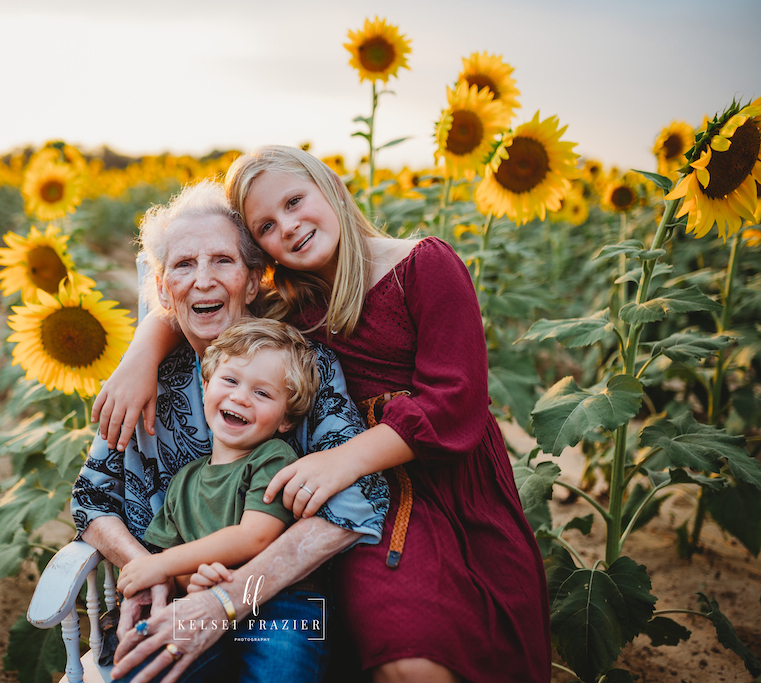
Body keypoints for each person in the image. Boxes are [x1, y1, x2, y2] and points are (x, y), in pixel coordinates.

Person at [107, 147, 552, 683]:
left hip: (446, 480)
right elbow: (202, 297)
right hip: (375, 502)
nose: (289, 227)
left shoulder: (423, 264)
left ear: (333, 187)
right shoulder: (292, 303)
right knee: (404, 648)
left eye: (295, 202)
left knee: (467, 638)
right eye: (267, 225)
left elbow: (455, 401)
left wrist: (341, 461)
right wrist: (142, 350)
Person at [71, 180, 387, 681]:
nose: (202, 281)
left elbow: (357, 499)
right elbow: (93, 498)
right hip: (176, 594)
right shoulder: (146, 382)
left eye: (222, 260)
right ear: (161, 289)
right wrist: (149, 573)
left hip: (282, 602)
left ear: (254, 278)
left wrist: (231, 596)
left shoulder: (301, 365)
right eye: (182, 265)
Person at [115, 318, 329, 682]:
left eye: (263, 393)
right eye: (230, 380)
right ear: (205, 386)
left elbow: (255, 537)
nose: (241, 397)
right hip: (199, 603)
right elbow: (180, 566)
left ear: (286, 419)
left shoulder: (273, 458)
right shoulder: (184, 482)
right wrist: (190, 580)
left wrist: (162, 564)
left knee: (281, 670)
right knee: (141, 668)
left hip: (278, 604)